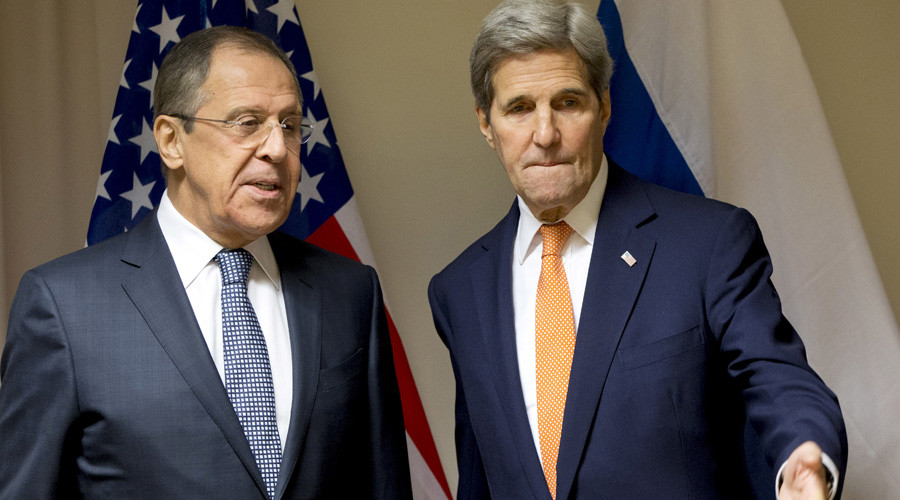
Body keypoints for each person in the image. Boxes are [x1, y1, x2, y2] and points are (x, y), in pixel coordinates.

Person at [427, 1, 847, 498]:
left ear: (604, 105)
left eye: (567, 103)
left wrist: (804, 451)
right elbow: (480, 479)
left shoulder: (709, 246)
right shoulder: (458, 291)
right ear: (485, 123)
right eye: (519, 108)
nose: (545, 135)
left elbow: (778, 379)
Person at [0, 26, 411, 499]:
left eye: (290, 125)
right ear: (172, 140)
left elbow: (384, 482)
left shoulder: (351, 291)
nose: (277, 149)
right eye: (246, 122)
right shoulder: (64, 307)